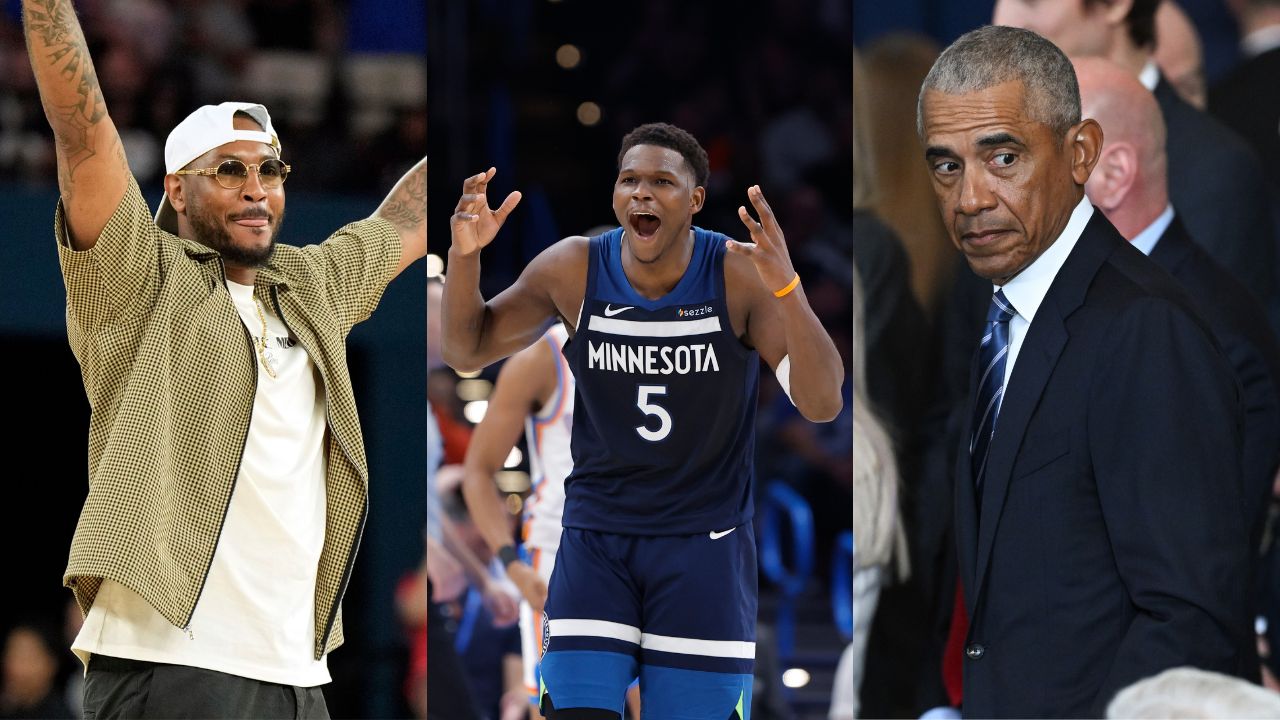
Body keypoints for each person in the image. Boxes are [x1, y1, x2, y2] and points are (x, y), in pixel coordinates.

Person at [21, 0, 426, 716]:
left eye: (270, 169)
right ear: (176, 188)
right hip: (174, 662)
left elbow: (399, 221)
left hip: (301, 674)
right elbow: (84, 136)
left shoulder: (310, 283)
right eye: (229, 169)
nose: (255, 187)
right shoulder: (139, 277)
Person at [443, 122, 844, 719]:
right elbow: (467, 350)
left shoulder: (737, 275)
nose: (642, 194)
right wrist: (465, 256)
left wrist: (787, 286)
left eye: (662, 181)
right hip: (593, 541)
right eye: (629, 180)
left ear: (696, 199)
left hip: (703, 547)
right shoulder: (573, 268)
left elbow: (823, 402)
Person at [918, 25, 1250, 717]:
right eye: (946, 166)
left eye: (1002, 157)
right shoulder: (997, 309)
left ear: (1081, 154)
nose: (970, 197)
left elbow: (1187, 619)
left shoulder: (1144, 330)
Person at [1075, 55, 1280, 563]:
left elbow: (1194, 572)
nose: (998, 189)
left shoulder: (1213, 330)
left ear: (1114, 173)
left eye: (1029, 156)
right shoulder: (1035, 298)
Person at [994, 0, 1279, 322]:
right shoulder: (996, 148)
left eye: (1031, 3)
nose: (1003, 21)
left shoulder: (1214, 170)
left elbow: (1202, 351)